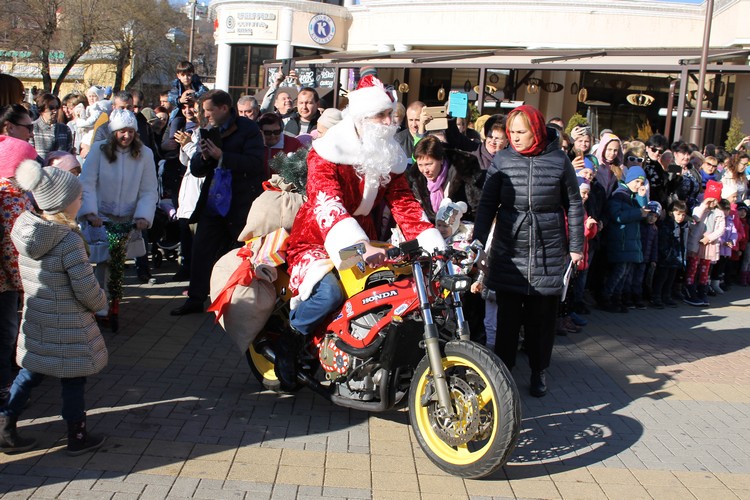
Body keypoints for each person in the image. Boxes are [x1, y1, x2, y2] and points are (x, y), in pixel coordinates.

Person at [276, 75, 445, 389]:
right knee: (330, 292)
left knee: (388, 289)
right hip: (317, 238)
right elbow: (326, 200)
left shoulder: (388, 153)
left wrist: (429, 237)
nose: (388, 121)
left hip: (365, 238)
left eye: (390, 114)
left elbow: (404, 201)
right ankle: (291, 338)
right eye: (381, 115)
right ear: (361, 117)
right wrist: (356, 244)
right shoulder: (327, 151)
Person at [473, 105, 584, 398]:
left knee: (542, 319)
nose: (515, 138)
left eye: (521, 132)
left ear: (535, 130)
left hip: (548, 247)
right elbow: (487, 204)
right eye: (512, 132)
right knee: (507, 317)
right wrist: (478, 241)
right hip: (510, 246)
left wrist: (576, 247)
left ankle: (538, 371)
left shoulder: (559, 160)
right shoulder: (503, 159)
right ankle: (504, 374)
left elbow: (574, 204)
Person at [1, 159, 107, 455]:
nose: (81, 199)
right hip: (69, 325)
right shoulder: (68, 241)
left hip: (37, 318)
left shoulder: (26, 231)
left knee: (30, 372)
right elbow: (86, 289)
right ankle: (77, 436)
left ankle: (5, 424)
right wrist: (101, 302)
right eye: (78, 196)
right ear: (64, 203)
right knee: (73, 379)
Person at [170, 89, 265, 316]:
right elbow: (197, 170)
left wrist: (222, 155)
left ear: (224, 108)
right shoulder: (208, 130)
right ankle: (195, 299)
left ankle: (240, 303)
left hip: (239, 204)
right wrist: (203, 157)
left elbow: (254, 164)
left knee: (241, 255)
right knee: (201, 251)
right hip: (213, 203)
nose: (206, 115)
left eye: (209, 110)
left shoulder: (248, 129)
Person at [79, 109, 159, 317]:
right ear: (113, 132)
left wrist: (143, 216)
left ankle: (112, 297)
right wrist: (90, 213)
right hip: (102, 215)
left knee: (118, 260)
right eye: (122, 132)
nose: (127, 136)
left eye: (131, 132)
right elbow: (86, 183)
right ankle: (99, 301)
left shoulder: (145, 154)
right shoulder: (99, 150)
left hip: (128, 216)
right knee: (102, 261)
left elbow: (149, 188)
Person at [0, 137, 38, 407]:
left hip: (13, 280)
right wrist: (23, 282)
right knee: (5, 334)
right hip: (8, 282)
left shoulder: (18, 193)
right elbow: (10, 247)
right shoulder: (9, 199)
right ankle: (5, 390)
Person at [598, 166, 649, 313]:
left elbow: (643, 212)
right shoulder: (620, 195)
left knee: (625, 272)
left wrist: (641, 197)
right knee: (618, 272)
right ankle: (606, 297)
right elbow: (618, 216)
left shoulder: (633, 197)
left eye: (642, 182)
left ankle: (617, 299)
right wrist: (638, 212)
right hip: (620, 241)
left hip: (629, 242)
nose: (639, 185)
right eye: (637, 181)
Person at [408, 135, 483, 221]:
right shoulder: (415, 180)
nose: (425, 170)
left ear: (441, 160)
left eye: (429, 164)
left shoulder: (463, 173)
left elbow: (477, 210)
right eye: (420, 165)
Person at [683, 180, 725, 306]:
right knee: (693, 267)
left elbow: (720, 229)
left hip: (708, 245)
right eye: (709, 200)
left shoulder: (719, 213)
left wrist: (710, 238)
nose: (712, 203)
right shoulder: (698, 209)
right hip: (696, 244)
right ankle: (689, 289)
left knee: (704, 270)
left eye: (714, 200)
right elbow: (694, 220)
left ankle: (702, 290)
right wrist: (703, 206)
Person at [651, 200, 689, 308]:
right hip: (666, 257)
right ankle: (656, 296)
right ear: (670, 213)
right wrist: (666, 254)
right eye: (678, 214)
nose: (681, 217)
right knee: (662, 277)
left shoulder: (682, 226)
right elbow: (663, 242)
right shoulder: (667, 225)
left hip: (676, 258)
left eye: (683, 215)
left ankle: (666, 296)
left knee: (671, 278)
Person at [257, 112, 303, 180]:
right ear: (261, 132)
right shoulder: (254, 144)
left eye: (276, 132)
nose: (272, 136)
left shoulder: (293, 143)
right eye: (268, 133)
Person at [30, 93, 73, 160]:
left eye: (57, 107)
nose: (55, 111)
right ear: (42, 109)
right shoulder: (32, 128)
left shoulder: (65, 129)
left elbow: (69, 154)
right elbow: (30, 156)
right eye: (51, 108)